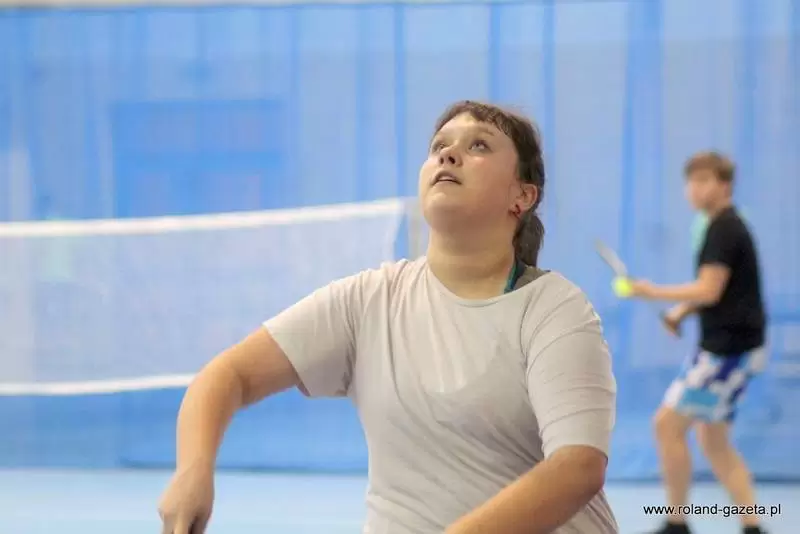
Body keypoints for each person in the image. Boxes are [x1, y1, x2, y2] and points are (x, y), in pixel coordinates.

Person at [158, 101, 618, 534]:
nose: (449, 155)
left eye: (478, 145)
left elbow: (576, 468)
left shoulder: (554, 309)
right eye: (439, 146)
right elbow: (228, 375)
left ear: (522, 196)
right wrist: (192, 471)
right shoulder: (368, 299)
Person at [626, 152, 768, 534]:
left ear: (725, 185)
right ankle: (753, 526)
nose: (694, 189)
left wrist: (651, 291)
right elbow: (721, 291)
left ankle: (677, 524)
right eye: (691, 181)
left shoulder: (724, 229)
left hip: (727, 354)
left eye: (704, 180)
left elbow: (709, 289)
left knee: (666, 425)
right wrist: (679, 313)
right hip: (731, 349)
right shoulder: (721, 226)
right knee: (713, 440)